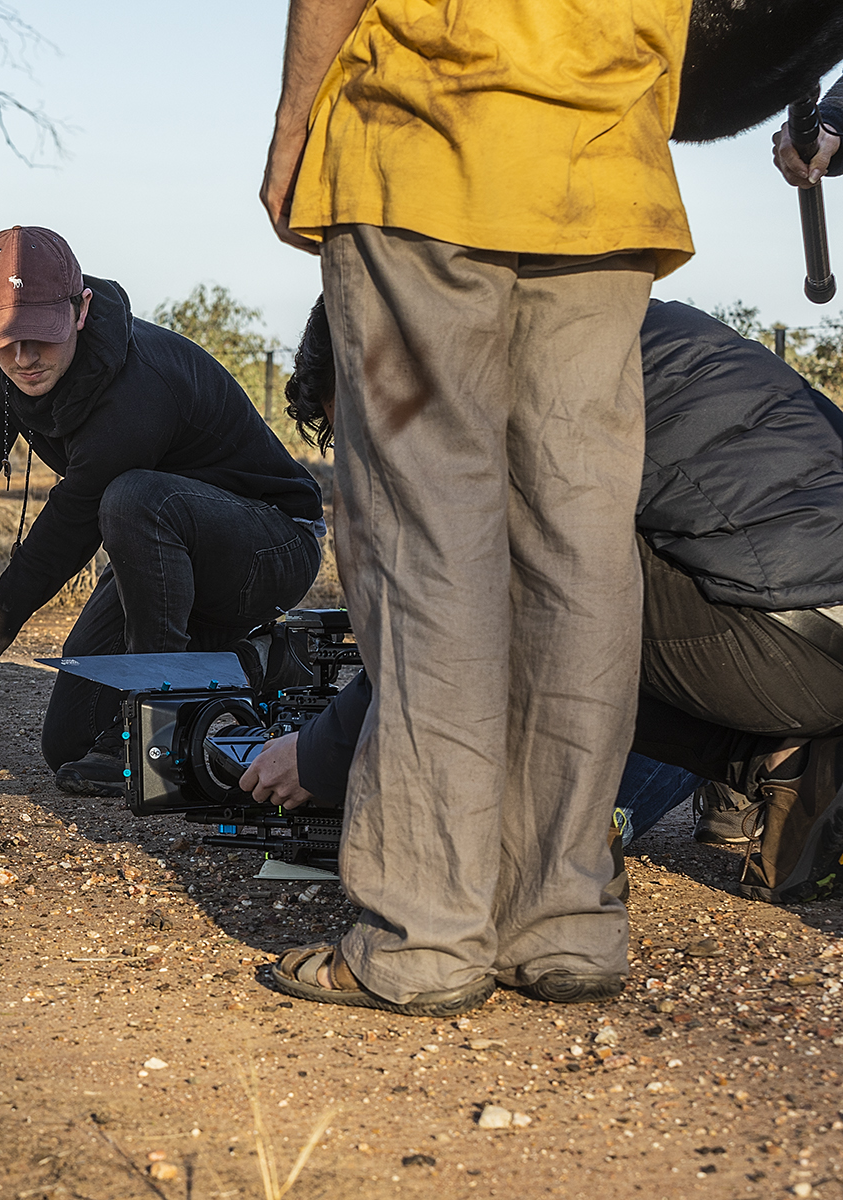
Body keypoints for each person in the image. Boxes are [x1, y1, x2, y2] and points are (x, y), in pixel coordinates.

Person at [261, 1, 697, 1015]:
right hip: (606, 151)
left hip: (426, 135)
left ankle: (424, 936)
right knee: (581, 543)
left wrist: (295, 128)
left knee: (430, 543)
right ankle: (564, 921)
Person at [241, 298, 843, 909]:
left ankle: (551, 852)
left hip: (787, 635)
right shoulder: (597, 315)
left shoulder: (506, 389)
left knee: (515, 574)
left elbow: (458, 608)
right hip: (810, 627)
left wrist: (317, 754)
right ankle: (783, 760)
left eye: (370, 435)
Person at [0, 226, 324, 793]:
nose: (24, 360)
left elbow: (46, 561)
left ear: (81, 310)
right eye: (5, 339)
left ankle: (167, 716)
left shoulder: (136, 391)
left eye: (42, 338)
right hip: (164, 555)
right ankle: (233, 664)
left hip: (270, 545)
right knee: (71, 745)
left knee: (132, 497)